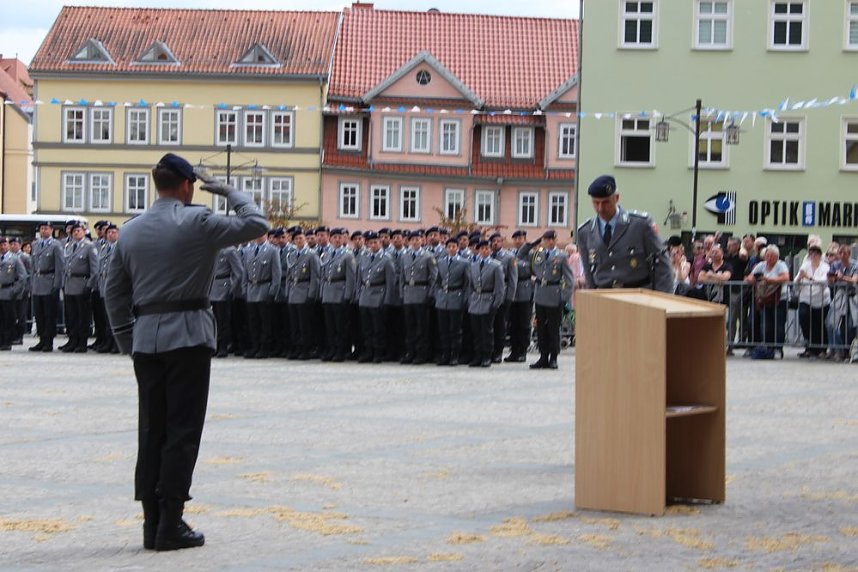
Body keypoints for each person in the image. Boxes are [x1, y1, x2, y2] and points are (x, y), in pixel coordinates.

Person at [104, 153, 268, 551]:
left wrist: (129, 340)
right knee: (182, 431)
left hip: (146, 340)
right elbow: (257, 223)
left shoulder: (130, 231)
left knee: (151, 431)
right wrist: (229, 190)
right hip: (189, 337)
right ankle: (171, 524)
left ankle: (151, 524)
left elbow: (114, 293)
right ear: (187, 185)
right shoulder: (198, 221)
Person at [576, 175, 672, 293]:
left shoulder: (640, 225)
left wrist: (663, 300)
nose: (600, 208)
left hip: (637, 296)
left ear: (616, 198)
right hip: (604, 299)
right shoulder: (585, 232)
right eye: (596, 203)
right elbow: (589, 274)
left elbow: (661, 265)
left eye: (605, 202)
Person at [521, 230, 575, 369]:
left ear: (556, 240)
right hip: (540, 294)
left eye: (552, 239)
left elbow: (569, 279)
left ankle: (554, 357)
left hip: (554, 294)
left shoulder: (561, 256)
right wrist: (533, 243)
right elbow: (521, 254)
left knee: (553, 328)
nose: (549, 242)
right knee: (541, 329)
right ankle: (543, 356)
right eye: (546, 239)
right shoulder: (537, 253)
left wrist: (564, 297)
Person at [400, 230, 438, 364]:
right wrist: (402, 294)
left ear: (422, 241)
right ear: (409, 242)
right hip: (408, 294)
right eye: (412, 240)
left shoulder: (428, 256)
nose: (415, 242)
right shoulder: (405, 256)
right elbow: (401, 277)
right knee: (409, 326)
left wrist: (431, 294)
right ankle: (410, 352)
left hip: (422, 293)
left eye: (417, 239)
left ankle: (422, 353)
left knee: (422, 327)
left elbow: (433, 277)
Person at [745, 245, 789, 359]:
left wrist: (769, 280)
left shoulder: (781, 265)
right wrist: (753, 278)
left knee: (779, 324)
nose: (768, 257)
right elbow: (750, 277)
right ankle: (768, 348)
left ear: (776, 256)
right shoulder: (761, 265)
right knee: (766, 324)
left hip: (780, 298)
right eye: (766, 255)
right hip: (764, 298)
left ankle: (778, 348)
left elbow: (785, 278)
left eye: (770, 255)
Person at [357, 231, 395, 363]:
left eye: (375, 242)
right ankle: (368, 351)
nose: (373, 245)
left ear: (380, 243)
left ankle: (378, 352)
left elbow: (391, 281)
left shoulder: (386, 259)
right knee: (366, 327)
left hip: (378, 294)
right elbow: (359, 278)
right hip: (365, 295)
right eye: (370, 243)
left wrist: (387, 299)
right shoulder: (364, 257)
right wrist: (358, 295)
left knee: (378, 327)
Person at [60, 222, 98, 353]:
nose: (76, 233)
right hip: (70, 284)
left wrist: (89, 286)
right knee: (71, 315)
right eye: (74, 231)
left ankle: (82, 342)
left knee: (83, 316)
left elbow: (95, 269)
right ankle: (72, 340)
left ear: (84, 231)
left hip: (82, 283)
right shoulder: (69, 246)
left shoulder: (89, 247)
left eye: (79, 230)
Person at [242, 233, 281, 359]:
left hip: (264, 288)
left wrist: (272, 292)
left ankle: (264, 348)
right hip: (251, 290)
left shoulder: (272, 251)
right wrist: (244, 289)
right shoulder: (249, 250)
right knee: (253, 322)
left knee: (265, 322)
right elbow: (245, 272)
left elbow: (276, 274)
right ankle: (255, 346)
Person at [320, 228, 357, 362]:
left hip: (340, 292)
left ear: (343, 239)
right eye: (334, 237)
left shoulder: (348, 255)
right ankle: (332, 349)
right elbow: (323, 275)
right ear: (330, 239)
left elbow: (351, 278)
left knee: (340, 325)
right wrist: (322, 293)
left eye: (339, 237)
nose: (337, 239)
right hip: (328, 293)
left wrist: (347, 295)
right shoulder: (326, 254)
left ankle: (340, 351)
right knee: (330, 326)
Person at [466, 240, 504, 367]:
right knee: (476, 331)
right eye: (482, 249)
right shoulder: (473, 265)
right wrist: (470, 300)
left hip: (488, 299)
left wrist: (496, 304)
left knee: (487, 331)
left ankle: (487, 355)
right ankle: (478, 355)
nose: (484, 251)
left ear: (490, 250)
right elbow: (470, 285)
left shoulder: (496, 266)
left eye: (487, 248)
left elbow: (499, 288)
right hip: (476, 300)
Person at [29, 222, 65, 352]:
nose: (44, 231)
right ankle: (41, 340)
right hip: (38, 283)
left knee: (49, 315)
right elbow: (33, 266)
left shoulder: (56, 245)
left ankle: (48, 341)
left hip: (49, 282)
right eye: (42, 229)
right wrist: (32, 283)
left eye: (46, 228)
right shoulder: (36, 244)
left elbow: (60, 267)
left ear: (51, 230)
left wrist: (57, 285)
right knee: (39, 315)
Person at [286, 228, 321, 360]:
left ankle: (305, 348)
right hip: (293, 292)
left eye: (301, 238)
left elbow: (315, 276)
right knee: (294, 324)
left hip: (304, 290)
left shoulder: (311, 254)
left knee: (304, 324)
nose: (299, 241)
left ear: (305, 239)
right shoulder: (292, 254)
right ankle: (297, 347)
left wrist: (311, 294)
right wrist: (287, 292)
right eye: (296, 239)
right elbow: (289, 276)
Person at [434, 237, 469, 366]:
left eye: (454, 246)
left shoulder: (464, 263)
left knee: (455, 329)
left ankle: (455, 355)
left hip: (456, 297)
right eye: (449, 247)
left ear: (458, 248)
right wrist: (438, 295)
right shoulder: (441, 262)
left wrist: (464, 298)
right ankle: (445, 354)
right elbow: (437, 281)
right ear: (446, 248)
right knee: (443, 329)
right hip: (443, 298)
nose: (452, 249)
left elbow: (467, 283)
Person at [794, 245, 831, 359]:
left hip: (821, 300)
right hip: (806, 297)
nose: (813, 256)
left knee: (819, 324)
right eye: (811, 254)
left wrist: (809, 278)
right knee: (804, 319)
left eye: (815, 254)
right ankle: (809, 347)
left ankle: (821, 349)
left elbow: (823, 281)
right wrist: (799, 278)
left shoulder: (825, 267)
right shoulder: (805, 265)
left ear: (820, 255)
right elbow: (796, 280)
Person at [826, 243, 858, 361]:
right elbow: (830, 281)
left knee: (850, 325)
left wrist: (842, 277)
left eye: (845, 253)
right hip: (839, 296)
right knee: (830, 322)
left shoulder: (855, 264)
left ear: (849, 254)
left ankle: (848, 351)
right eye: (841, 253)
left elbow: (854, 280)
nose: (843, 255)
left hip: (852, 296)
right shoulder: (835, 265)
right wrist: (831, 279)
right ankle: (839, 349)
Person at [506, 230, 534, 362]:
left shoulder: (530, 254)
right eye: (515, 239)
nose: (518, 241)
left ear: (525, 239)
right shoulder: (510, 254)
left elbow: (534, 270)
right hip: (512, 290)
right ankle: (514, 350)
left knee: (524, 323)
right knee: (513, 323)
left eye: (520, 238)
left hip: (525, 288)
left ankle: (523, 350)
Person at [489, 232, 517, 363]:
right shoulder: (487, 255)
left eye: (498, 241)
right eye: (493, 241)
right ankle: (490, 350)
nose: (495, 243)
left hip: (503, 293)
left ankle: (498, 352)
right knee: (490, 325)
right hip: (489, 294)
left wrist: (509, 297)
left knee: (500, 325)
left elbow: (512, 279)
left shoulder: (509, 257)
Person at [95, 224, 120, 353]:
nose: (111, 234)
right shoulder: (104, 248)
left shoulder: (120, 248)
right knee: (106, 318)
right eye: (109, 232)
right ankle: (108, 342)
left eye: (113, 232)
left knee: (114, 317)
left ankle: (117, 343)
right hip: (104, 285)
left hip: (115, 287)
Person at [0, 238, 27, 350]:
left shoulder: (15, 259)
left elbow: (22, 277)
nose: (2, 247)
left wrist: (15, 290)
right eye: (0, 245)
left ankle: (7, 341)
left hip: (8, 291)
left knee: (8, 319)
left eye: (4, 244)